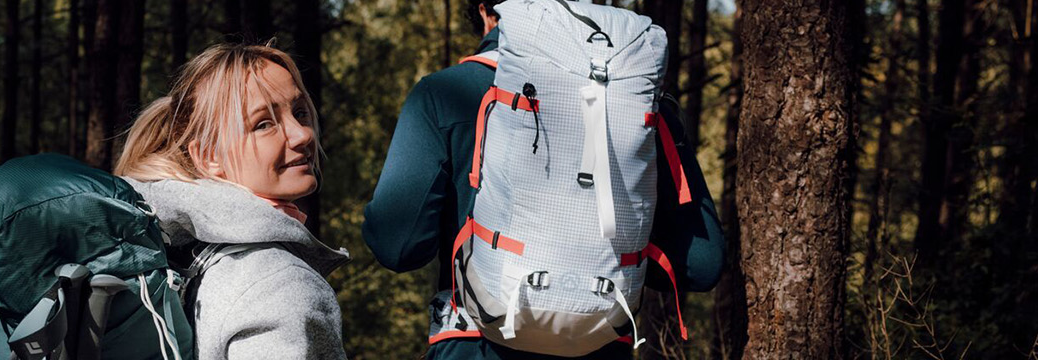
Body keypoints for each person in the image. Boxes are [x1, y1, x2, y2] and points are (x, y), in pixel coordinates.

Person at [361, 1, 725, 358]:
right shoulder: (636, 98)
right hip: (601, 342)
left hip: (476, 343)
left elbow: (397, 247)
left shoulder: (444, 91)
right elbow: (702, 263)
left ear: (486, 11)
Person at [116, 42, 350, 360]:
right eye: (264, 124)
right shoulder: (278, 284)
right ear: (209, 156)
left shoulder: (174, 257)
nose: (303, 135)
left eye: (299, 112)